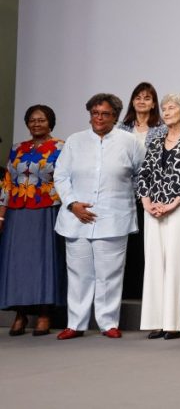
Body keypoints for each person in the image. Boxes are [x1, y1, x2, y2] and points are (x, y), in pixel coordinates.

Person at [53, 93, 145, 340]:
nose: (99, 118)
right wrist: (72, 204)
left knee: (109, 275)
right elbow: (60, 175)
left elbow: (142, 174)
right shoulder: (75, 141)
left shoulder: (130, 141)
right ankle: (76, 323)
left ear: (115, 116)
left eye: (105, 114)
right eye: (95, 113)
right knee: (78, 274)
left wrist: (126, 199)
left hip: (113, 218)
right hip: (76, 218)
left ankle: (108, 323)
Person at [136, 93, 180, 340]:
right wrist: (147, 203)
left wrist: (172, 204)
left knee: (176, 265)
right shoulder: (155, 141)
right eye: (164, 108)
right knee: (154, 265)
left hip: (179, 209)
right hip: (153, 210)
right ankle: (155, 321)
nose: (166, 112)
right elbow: (144, 175)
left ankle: (173, 324)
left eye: (171, 108)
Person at [0, 105, 65, 337]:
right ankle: (21, 313)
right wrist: (1, 213)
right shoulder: (17, 148)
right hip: (18, 212)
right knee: (18, 264)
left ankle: (45, 313)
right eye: (32, 120)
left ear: (50, 123)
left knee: (43, 263)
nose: (36, 124)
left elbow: (65, 178)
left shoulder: (61, 147)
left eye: (42, 120)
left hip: (46, 209)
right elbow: (8, 182)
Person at [119, 82, 164, 300]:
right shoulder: (121, 129)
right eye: (138, 97)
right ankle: (127, 289)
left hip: (151, 194)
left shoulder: (162, 129)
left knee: (146, 243)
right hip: (124, 193)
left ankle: (145, 290)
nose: (142, 101)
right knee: (126, 242)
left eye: (147, 98)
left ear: (154, 103)